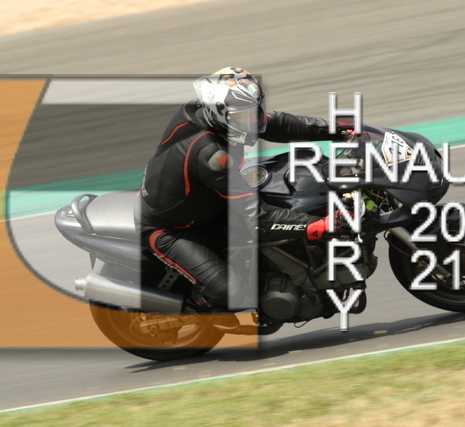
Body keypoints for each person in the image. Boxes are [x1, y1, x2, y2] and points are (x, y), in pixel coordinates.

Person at [136, 67, 355, 313]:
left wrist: (337, 129)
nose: (252, 121)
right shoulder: (211, 155)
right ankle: (195, 311)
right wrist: (319, 226)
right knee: (232, 293)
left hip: (207, 203)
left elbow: (277, 123)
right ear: (220, 114)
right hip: (171, 229)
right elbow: (259, 216)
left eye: (255, 111)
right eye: (244, 116)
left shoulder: (214, 114)